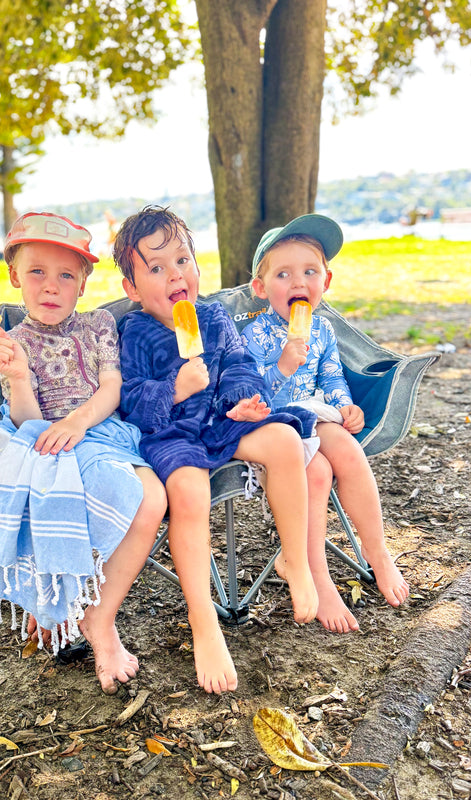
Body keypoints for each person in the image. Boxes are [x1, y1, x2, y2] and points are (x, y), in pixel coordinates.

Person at [0, 212, 167, 694]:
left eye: (66, 275)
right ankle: (69, 611)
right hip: (43, 442)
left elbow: (111, 387)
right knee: (50, 499)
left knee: (151, 498)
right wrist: (18, 376)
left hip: (99, 432)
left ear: (82, 284)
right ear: (14, 276)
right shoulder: (14, 342)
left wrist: (78, 422)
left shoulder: (99, 325)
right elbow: (26, 419)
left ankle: (94, 614)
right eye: (37, 271)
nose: (50, 286)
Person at [113, 205, 322, 694]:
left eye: (182, 261)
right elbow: (130, 400)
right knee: (189, 491)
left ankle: (295, 559)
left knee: (284, 439)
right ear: (131, 288)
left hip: (222, 423)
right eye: (156, 268)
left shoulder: (212, 317)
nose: (175, 275)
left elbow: (240, 365)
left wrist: (242, 401)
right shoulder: (134, 332)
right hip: (171, 436)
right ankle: (203, 619)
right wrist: (176, 389)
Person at [242, 213, 409, 632]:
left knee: (348, 451)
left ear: (326, 282)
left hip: (314, 412)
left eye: (309, 272)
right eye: (283, 274)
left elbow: (331, 376)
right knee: (316, 472)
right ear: (261, 288)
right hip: (274, 424)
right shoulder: (254, 335)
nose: (298, 282)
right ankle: (314, 572)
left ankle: (377, 550)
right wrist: (282, 365)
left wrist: (346, 405)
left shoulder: (323, 330)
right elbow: (250, 393)